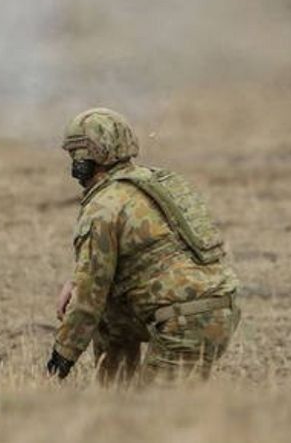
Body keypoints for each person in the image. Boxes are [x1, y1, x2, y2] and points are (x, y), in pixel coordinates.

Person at [46, 107, 240, 384]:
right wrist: (77, 281)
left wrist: (59, 361)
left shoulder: (103, 205)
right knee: (109, 320)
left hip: (186, 322)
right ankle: (115, 396)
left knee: (158, 418)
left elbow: (88, 299)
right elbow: (100, 275)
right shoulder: (158, 182)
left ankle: (124, 407)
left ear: (85, 156)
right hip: (218, 306)